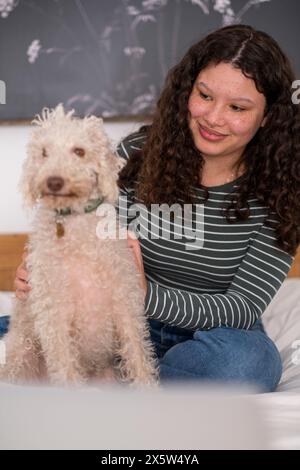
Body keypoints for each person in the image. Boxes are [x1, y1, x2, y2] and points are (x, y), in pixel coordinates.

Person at [5, 24, 300, 392]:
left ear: (269, 116)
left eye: (237, 107)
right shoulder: (138, 154)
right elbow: (79, 220)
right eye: (205, 95)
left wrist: (145, 295)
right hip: (113, 322)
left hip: (208, 338)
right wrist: (43, 269)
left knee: (250, 363)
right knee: (21, 334)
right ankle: (124, 376)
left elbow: (242, 307)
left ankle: (127, 379)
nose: (213, 118)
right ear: (188, 89)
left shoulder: (283, 193)